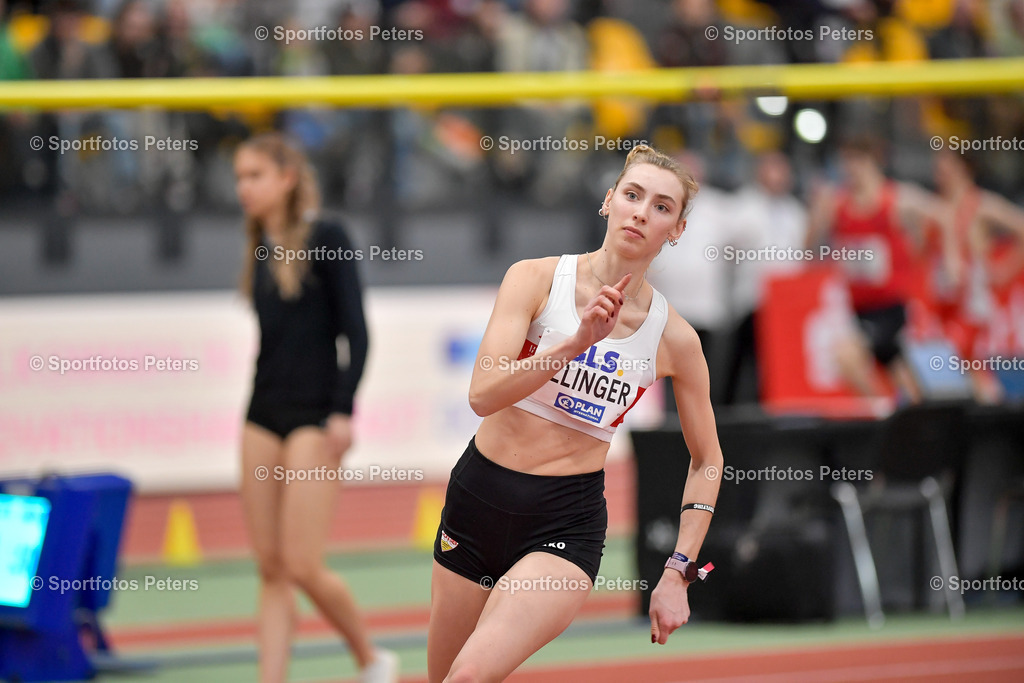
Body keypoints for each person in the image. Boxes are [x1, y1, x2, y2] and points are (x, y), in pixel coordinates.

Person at [427, 145, 724, 683]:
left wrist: (679, 570)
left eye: (660, 207)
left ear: (676, 230)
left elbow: (708, 461)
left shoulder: (675, 338)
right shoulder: (536, 279)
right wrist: (576, 342)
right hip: (477, 501)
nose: (640, 212)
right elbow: (483, 394)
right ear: (608, 202)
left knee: (467, 677)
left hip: (564, 523)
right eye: (632, 195)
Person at [234, 133, 398, 683]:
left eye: (254, 176)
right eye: (238, 178)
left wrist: (343, 410)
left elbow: (357, 332)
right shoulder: (259, 245)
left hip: (314, 413)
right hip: (261, 412)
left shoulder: (328, 236)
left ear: (286, 178)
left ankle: (371, 659)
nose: (243, 189)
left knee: (301, 563)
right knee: (271, 568)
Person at [806, 136, 956, 401]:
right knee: (903, 378)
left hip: (891, 309)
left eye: (856, 161)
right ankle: (919, 427)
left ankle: (884, 417)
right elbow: (808, 248)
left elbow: (944, 216)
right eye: (845, 162)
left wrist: (948, 259)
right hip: (857, 308)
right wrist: (817, 214)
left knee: (846, 358)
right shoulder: (837, 202)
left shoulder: (897, 199)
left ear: (873, 161)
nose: (850, 169)